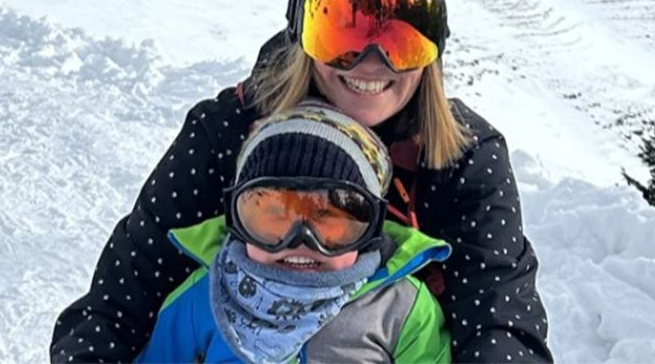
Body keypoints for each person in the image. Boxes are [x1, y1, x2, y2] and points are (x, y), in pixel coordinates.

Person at [51, 0, 552, 362]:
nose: (370, 63)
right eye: (342, 30)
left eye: (401, 37)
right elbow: (118, 304)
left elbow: (499, 325)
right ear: (299, 28)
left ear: (435, 45)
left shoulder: (463, 159)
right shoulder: (227, 134)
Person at [137, 102, 450, 363]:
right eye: (274, 216)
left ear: (370, 228)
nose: (301, 241)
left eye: (329, 219)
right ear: (237, 220)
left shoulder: (402, 309)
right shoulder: (205, 296)